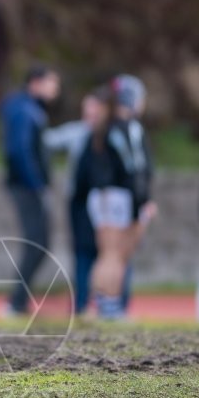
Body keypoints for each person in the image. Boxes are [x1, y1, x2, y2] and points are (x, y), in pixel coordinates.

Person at [75, 75, 155, 320]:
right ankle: (109, 306)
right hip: (118, 196)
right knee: (115, 254)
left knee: (108, 253)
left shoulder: (102, 126)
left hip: (102, 197)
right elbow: (136, 168)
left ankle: (98, 304)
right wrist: (142, 203)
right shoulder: (129, 128)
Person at [45, 88, 131, 315]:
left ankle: (112, 304)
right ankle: (83, 304)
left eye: (95, 108)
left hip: (104, 200)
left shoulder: (111, 134)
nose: (91, 113)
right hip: (82, 202)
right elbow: (46, 141)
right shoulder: (79, 133)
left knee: (109, 252)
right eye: (88, 108)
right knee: (83, 252)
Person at [0, 64, 61, 315]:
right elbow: (20, 151)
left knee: (39, 243)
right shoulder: (26, 110)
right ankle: (16, 302)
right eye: (51, 82)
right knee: (37, 242)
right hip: (27, 187)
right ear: (35, 83)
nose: (55, 89)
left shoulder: (28, 109)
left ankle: (19, 301)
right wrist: (36, 184)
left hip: (27, 186)